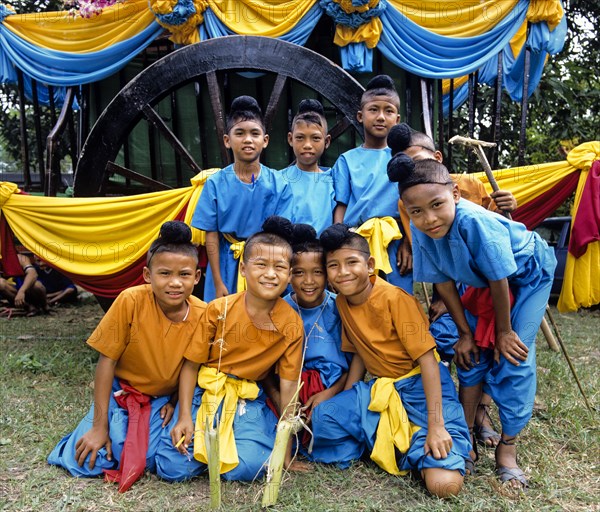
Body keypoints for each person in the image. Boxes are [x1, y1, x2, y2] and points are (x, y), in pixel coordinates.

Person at [388, 155, 556, 488]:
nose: (429, 218)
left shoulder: (476, 222)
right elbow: (444, 283)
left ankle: (507, 448)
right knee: (469, 353)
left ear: (455, 194)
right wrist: (465, 333)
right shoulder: (421, 229)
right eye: (416, 211)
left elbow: (501, 281)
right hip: (484, 283)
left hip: (526, 278)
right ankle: (467, 433)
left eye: (437, 205)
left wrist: (505, 332)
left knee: (515, 357)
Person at [311, 224, 470, 499]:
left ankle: (415, 441)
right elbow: (360, 353)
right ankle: (399, 443)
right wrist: (349, 400)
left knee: (445, 486)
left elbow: (429, 363)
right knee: (324, 417)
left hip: (422, 391)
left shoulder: (396, 299)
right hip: (383, 391)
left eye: (351, 262)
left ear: (370, 264)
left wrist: (436, 426)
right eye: (333, 266)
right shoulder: (341, 303)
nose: (343, 272)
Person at [48, 221, 205, 492]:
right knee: (86, 460)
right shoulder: (130, 301)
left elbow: (192, 367)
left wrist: (177, 404)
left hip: (167, 398)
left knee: (171, 464)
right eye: (165, 273)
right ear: (147, 274)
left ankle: (147, 441)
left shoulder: (202, 314)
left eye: (184, 274)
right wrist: (100, 426)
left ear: (197, 277)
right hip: (125, 394)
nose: (175, 282)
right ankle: (105, 428)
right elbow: (106, 363)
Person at [389, 123, 519, 450]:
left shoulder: (468, 188)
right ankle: (459, 413)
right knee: (451, 344)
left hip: (489, 286)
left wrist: (509, 207)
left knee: (493, 345)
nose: (414, 172)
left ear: (437, 158)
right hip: (449, 295)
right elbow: (431, 259)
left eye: (419, 161)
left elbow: (499, 240)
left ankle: (481, 414)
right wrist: (443, 303)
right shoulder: (411, 201)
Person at [155, 216, 309, 483]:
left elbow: (288, 386)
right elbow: (191, 365)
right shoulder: (219, 309)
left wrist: (285, 449)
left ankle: (243, 440)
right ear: (243, 268)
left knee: (248, 468)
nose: (271, 274)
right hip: (207, 391)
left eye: (280, 267)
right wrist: (184, 417)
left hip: (246, 397)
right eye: (261, 264)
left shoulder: (291, 322)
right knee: (172, 468)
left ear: (289, 274)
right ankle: (202, 449)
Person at [192, 95, 292, 301]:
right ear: (227, 140)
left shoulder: (279, 183)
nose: (248, 139)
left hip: (265, 262)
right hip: (225, 261)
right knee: (223, 317)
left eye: (254, 133)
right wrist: (218, 281)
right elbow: (211, 235)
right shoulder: (215, 183)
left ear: (265, 141)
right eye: (240, 133)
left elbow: (282, 236)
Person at [331, 75, 411, 293]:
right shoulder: (347, 160)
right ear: (360, 115)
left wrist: (408, 243)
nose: (381, 117)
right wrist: (341, 242)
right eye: (373, 110)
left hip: (395, 239)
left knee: (399, 297)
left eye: (388, 111)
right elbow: (342, 204)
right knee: (359, 298)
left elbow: (411, 203)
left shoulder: (404, 158)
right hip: (357, 239)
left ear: (397, 118)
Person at [280, 223, 350, 459]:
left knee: (334, 434)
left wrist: (327, 394)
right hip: (286, 388)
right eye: (299, 272)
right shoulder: (280, 310)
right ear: (288, 274)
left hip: (331, 387)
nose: (308, 281)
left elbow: (351, 364)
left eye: (317, 272)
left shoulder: (339, 308)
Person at [279, 99, 334, 235]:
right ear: (290, 139)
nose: (307, 145)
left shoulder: (334, 179)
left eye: (315, 138)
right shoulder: (278, 179)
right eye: (300, 138)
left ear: (326, 141)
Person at [0, 243, 47, 317]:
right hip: (15, 293)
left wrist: (22, 291)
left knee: (36, 285)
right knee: (0, 283)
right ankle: (28, 307)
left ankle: (44, 306)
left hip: (30, 291)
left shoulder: (20, 258)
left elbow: (33, 274)